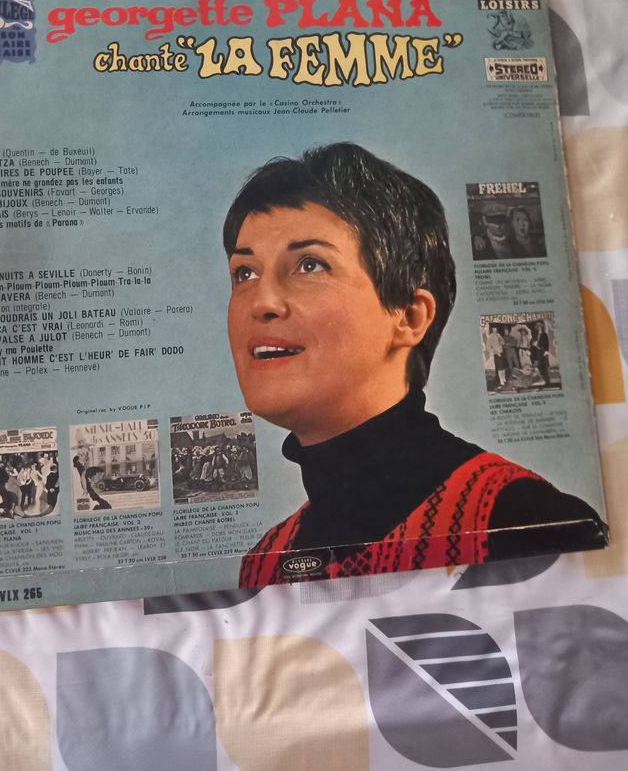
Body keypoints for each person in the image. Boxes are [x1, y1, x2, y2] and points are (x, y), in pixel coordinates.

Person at [223, 142, 605, 586]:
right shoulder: (263, 561)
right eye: (244, 273)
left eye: (310, 265)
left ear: (409, 317)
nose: (262, 302)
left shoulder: (525, 517)